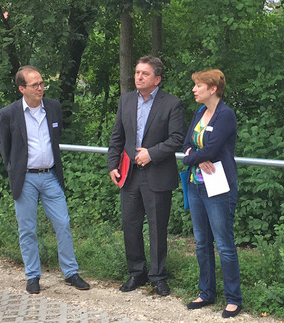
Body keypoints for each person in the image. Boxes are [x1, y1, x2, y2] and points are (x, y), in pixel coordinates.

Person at [0, 66, 90, 294]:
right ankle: (32, 275)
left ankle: (70, 272)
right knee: (27, 228)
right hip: (25, 178)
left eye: (41, 84)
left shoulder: (53, 107)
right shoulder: (9, 113)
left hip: (50, 176)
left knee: (63, 223)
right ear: (22, 89)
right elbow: (5, 149)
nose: (40, 88)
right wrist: (14, 171)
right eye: (35, 85)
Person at [107, 56, 186, 296]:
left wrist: (151, 154)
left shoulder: (172, 104)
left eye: (145, 73)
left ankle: (158, 276)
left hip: (157, 174)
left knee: (157, 227)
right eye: (137, 72)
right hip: (129, 174)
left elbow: (177, 139)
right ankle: (136, 273)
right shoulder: (126, 100)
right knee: (130, 225)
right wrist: (112, 165)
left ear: (157, 79)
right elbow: (117, 137)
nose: (139, 77)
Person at [181, 69, 242, 318]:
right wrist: (194, 156)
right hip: (196, 185)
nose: (194, 89)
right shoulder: (199, 113)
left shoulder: (225, 115)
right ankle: (206, 292)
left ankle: (234, 298)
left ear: (213, 89)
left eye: (198, 85)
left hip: (218, 187)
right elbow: (186, 143)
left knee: (224, 244)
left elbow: (213, 149)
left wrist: (192, 158)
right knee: (202, 242)